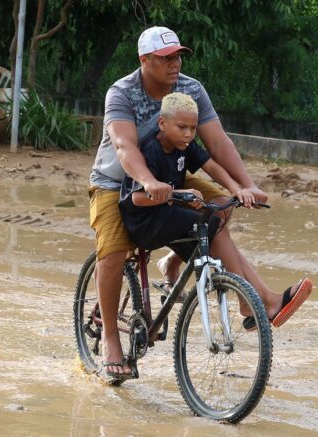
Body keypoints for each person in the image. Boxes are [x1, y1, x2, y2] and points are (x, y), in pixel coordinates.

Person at [88, 26, 312, 379]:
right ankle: (113, 343)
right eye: (165, 58)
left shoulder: (191, 89)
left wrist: (246, 186)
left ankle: (246, 299)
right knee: (114, 251)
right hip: (120, 181)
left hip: (172, 175)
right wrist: (148, 182)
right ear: (144, 60)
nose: (174, 64)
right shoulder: (122, 93)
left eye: (177, 56)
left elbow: (217, 144)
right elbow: (124, 147)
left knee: (219, 207)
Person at [118, 93, 312, 344]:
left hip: (167, 215)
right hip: (145, 222)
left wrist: (237, 189)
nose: (189, 134)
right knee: (211, 225)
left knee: (218, 211)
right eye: (182, 127)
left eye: (192, 129)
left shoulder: (184, 146)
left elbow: (211, 165)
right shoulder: (151, 149)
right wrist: (178, 193)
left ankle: (251, 296)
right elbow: (137, 199)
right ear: (162, 124)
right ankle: (251, 298)